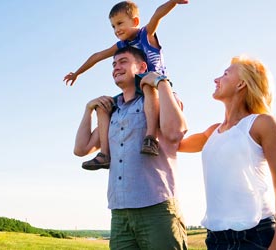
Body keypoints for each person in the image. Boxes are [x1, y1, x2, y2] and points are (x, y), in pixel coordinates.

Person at [73, 46, 189, 249]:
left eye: (123, 61)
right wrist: (88, 109)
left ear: (142, 66)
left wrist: (161, 83)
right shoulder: (112, 110)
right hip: (119, 213)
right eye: (114, 64)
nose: (116, 67)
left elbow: (176, 132)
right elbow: (81, 149)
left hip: (157, 208)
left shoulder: (159, 98)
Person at [178, 55, 276, 250]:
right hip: (216, 238)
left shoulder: (262, 124)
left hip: (257, 234)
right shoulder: (211, 132)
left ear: (241, 84)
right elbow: (174, 144)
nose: (216, 80)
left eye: (225, 74)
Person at [65, 0, 188, 170]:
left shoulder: (146, 34)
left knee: (146, 83)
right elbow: (97, 56)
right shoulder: (122, 45)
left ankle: (151, 137)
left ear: (135, 21)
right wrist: (77, 73)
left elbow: (157, 14)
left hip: (155, 84)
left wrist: (173, 2)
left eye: (120, 23)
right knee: (103, 106)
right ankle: (105, 155)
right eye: (113, 26)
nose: (117, 30)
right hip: (136, 91)